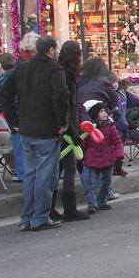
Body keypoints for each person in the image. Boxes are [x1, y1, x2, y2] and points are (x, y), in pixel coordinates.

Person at [0, 35, 68, 231]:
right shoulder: (54, 69)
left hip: (27, 129)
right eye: (56, 49)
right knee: (45, 176)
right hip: (46, 130)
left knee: (31, 175)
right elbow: (61, 95)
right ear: (51, 50)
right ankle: (39, 217)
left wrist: (14, 121)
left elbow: (5, 93)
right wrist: (62, 121)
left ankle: (27, 217)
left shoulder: (22, 68)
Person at [55, 41, 89, 221]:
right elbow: (66, 104)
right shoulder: (66, 75)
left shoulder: (63, 72)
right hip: (66, 126)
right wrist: (72, 129)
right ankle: (68, 208)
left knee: (62, 167)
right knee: (64, 167)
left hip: (67, 124)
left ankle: (59, 207)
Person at [78, 58, 129, 178]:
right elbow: (114, 101)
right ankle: (116, 167)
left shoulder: (80, 82)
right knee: (115, 136)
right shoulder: (103, 82)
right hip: (98, 121)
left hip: (81, 121)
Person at [79, 100, 122, 214]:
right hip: (92, 159)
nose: (104, 114)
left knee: (107, 182)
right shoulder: (89, 130)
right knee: (91, 183)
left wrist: (118, 155)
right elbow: (84, 144)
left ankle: (102, 200)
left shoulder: (111, 128)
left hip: (107, 158)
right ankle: (92, 203)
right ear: (95, 115)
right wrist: (80, 156)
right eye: (101, 111)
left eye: (105, 111)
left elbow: (117, 142)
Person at [0, 53, 23, 182]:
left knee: (16, 141)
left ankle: (19, 172)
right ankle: (16, 170)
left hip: (13, 118)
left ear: (0, 64)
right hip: (24, 115)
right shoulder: (18, 75)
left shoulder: (2, 79)